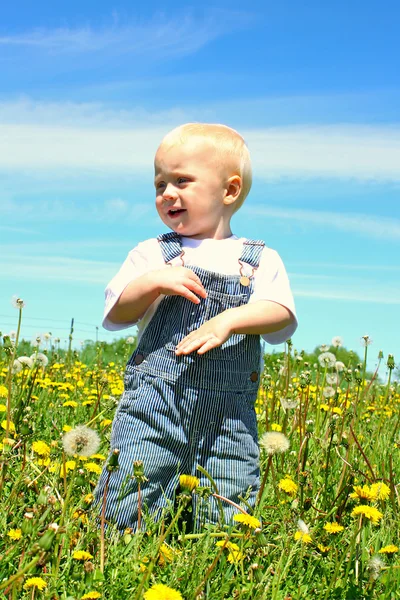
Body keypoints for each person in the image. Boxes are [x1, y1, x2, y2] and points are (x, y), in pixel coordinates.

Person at [95, 122, 297, 530]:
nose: (167, 193)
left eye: (182, 181)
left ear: (229, 191)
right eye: (159, 184)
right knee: (130, 485)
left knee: (229, 495)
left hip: (229, 416)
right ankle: (112, 552)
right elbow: (116, 314)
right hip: (153, 405)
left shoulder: (259, 258)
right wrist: (151, 283)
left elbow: (282, 316)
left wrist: (231, 320)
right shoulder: (153, 253)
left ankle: (218, 556)